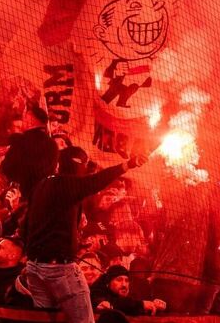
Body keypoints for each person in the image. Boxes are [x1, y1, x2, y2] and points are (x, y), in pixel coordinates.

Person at [20, 133, 146, 323]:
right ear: (78, 165)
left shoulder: (42, 185)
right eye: (84, 167)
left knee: (48, 321)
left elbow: (25, 226)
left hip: (35, 269)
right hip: (58, 269)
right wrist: (128, 164)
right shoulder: (66, 184)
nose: (86, 172)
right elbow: (97, 181)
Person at [90, 265, 166, 316]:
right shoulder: (97, 295)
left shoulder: (134, 292)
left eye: (126, 280)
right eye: (119, 280)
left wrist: (156, 305)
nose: (124, 285)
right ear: (108, 284)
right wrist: (141, 304)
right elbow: (115, 303)